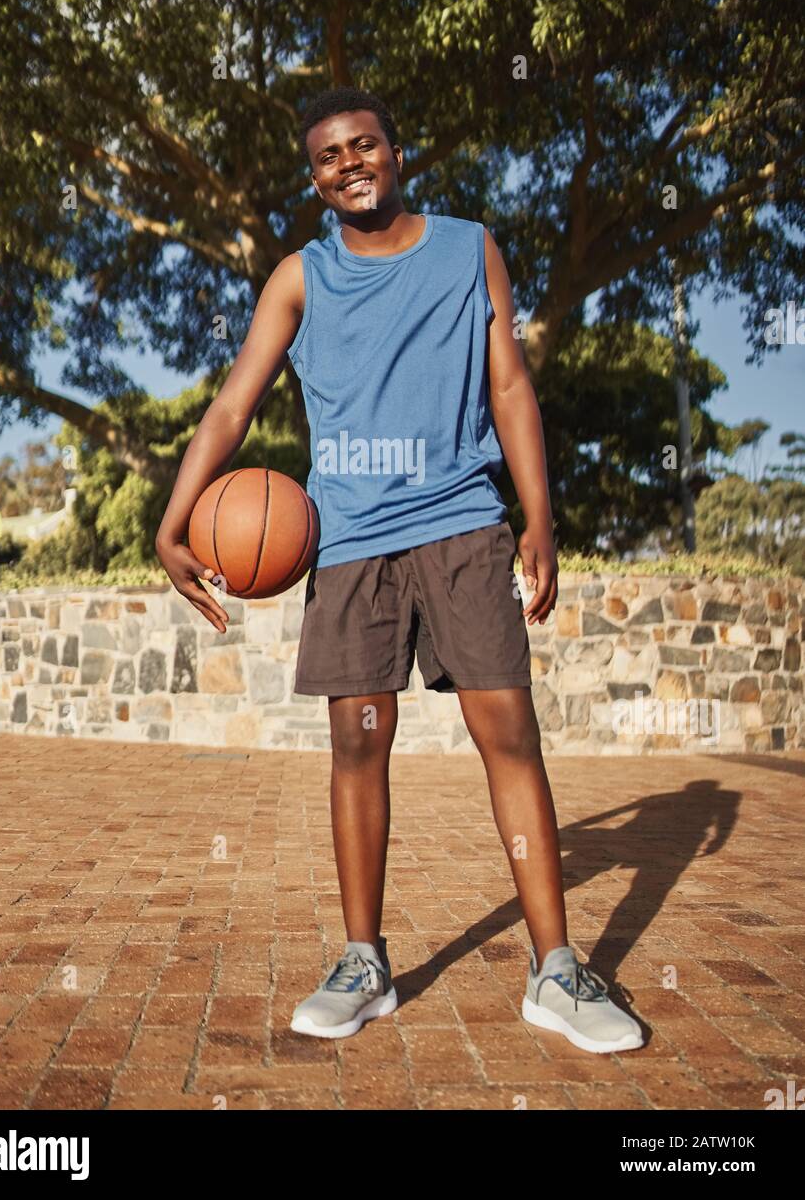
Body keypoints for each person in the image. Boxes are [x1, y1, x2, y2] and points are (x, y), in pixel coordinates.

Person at [156, 86, 644, 1055]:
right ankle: (365, 960)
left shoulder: (471, 249)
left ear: (397, 149)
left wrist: (540, 518)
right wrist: (173, 523)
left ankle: (556, 968)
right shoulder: (302, 278)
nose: (349, 163)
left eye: (363, 144)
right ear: (315, 177)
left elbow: (509, 383)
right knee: (356, 746)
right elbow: (230, 406)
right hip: (351, 541)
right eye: (329, 155)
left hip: (463, 525)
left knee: (509, 732)